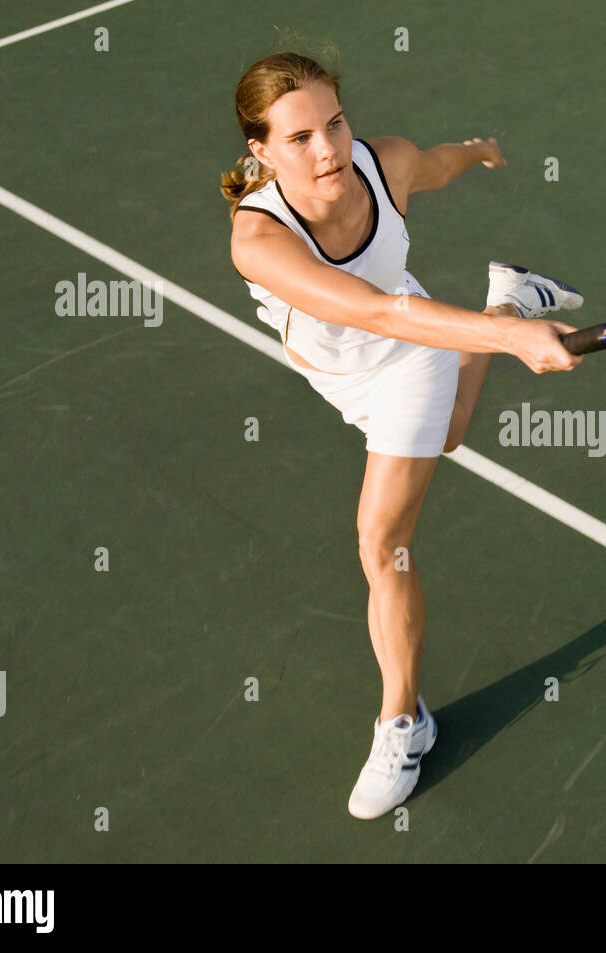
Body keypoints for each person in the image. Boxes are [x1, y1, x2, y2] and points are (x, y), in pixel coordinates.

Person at [220, 52, 583, 819]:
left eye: (335, 123)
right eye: (299, 138)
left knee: (381, 541)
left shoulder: (383, 165)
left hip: (408, 352)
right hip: (349, 361)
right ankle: (507, 304)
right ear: (261, 152)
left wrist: (476, 151)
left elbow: (438, 168)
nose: (327, 151)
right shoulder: (257, 240)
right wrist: (513, 342)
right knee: (450, 434)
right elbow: (370, 309)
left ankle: (403, 721)